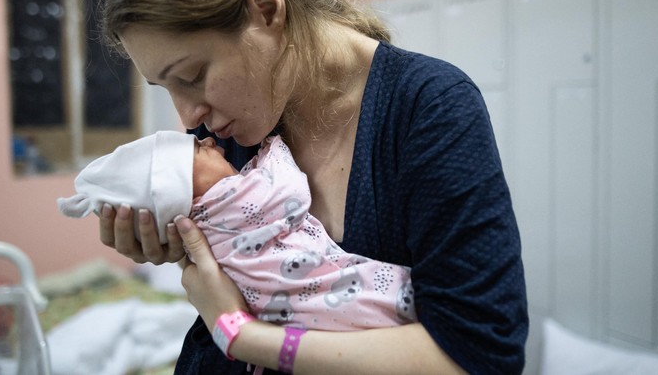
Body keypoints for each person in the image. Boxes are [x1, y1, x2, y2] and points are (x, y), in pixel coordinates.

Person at [96, 0, 527, 375]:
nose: (189, 117)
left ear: (266, 10)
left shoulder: (429, 106)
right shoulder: (235, 122)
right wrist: (186, 242)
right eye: (167, 87)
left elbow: (480, 358)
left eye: (194, 75)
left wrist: (240, 335)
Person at [58, 131, 417, 331]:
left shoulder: (209, 216)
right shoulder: (227, 203)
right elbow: (289, 194)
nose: (210, 140)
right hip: (316, 298)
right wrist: (274, 148)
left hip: (284, 316)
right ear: (185, 189)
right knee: (382, 296)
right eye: (198, 149)